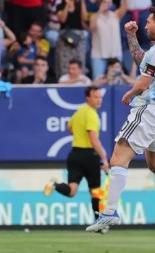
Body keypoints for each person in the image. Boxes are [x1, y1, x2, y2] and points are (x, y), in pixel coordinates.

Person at [86, 6, 155, 236]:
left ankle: (109, 211)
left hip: (148, 109)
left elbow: (143, 82)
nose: (146, 25)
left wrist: (130, 93)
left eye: (149, 22)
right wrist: (131, 36)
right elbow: (144, 61)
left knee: (118, 157)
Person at [44, 86, 110, 232]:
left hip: (74, 155)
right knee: (95, 192)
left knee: (72, 191)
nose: (99, 100)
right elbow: (93, 139)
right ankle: (99, 224)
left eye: (100, 97)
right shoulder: (92, 114)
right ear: (88, 98)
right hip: (89, 156)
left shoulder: (79, 111)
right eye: (95, 97)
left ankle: (55, 184)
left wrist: (79, 135)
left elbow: (69, 127)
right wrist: (104, 159)